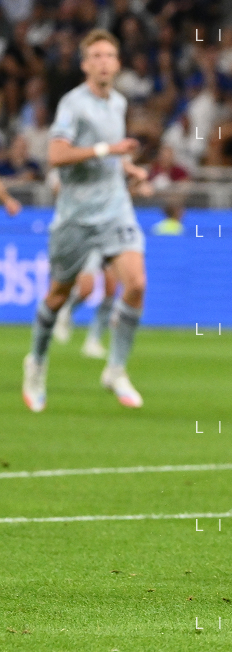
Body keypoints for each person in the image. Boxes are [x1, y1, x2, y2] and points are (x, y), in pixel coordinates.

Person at [22, 29, 151, 413]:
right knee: (58, 295)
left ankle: (115, 369)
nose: (103, 62)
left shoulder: (119, 103)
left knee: (136, 284)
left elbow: (110, 157)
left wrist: (127, 167)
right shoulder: (72, 104)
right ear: (85, 65)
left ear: (118, 63)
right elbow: (57, 155)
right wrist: (108, 149)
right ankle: (36, 363)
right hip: (76, 216)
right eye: (96, 56)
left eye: (109, 55)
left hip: (115, 209)